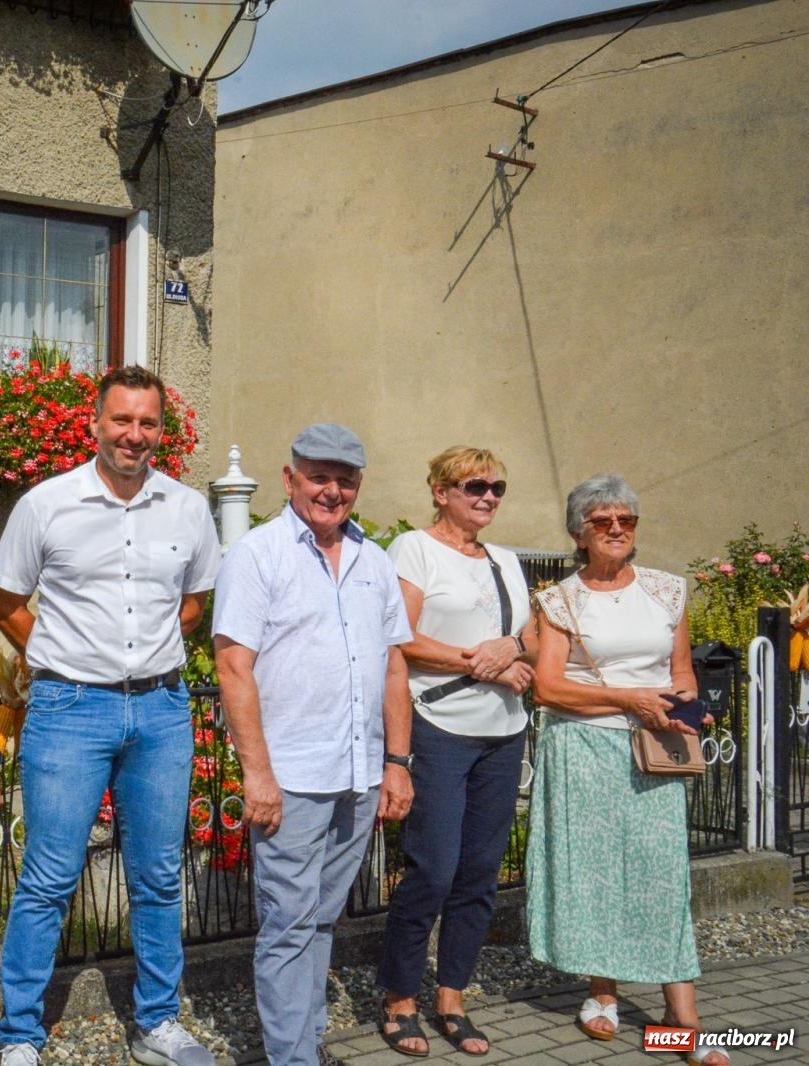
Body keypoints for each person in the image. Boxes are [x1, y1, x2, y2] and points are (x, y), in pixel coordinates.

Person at [0, 365, 220, 1066]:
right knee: (49, 877)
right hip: (68, 708)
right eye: (122, 420)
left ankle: (156, 1023)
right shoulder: (46, 505)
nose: (134, 435)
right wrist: (63, 654)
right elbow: (5, 605)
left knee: (158, 874)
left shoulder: (186, 508)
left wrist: (144, 654)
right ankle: (19, 1035)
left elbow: (193, 604)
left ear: (160, 431)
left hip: (161, 707)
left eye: (147, 423)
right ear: (95, 423)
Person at [212, 423, 414, 1066]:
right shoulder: (257, 554)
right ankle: (290, 1057)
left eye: (345, 478)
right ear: (289, 478)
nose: (332, 490)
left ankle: (304, 1042)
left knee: (321, 920)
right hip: (293, 776)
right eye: (319, 475)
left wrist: (397, 764)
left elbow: (393, 668)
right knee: (289, 925)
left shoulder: (373, 560)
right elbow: (232, 666)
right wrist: (259, 774)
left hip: (356, 775)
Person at [529, 475, 730, 1066]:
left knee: (661, 875)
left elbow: (683, 670)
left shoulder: (668, 591)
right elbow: (546, 687)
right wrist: (628, 699)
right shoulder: (561, 599)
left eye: (627, 520)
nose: (617, 529)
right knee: (593, 871)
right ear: (578, 534)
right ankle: (602, 994)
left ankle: (683, 1020)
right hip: (583, 745)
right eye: (602, 521)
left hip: (653, 745)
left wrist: (685, 706)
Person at [375, 447, 538, 1057]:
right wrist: (483, 661)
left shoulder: (505, 559)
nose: (489, 496)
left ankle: (452, 997)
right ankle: (398, 998)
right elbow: (402, 637)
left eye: (497, 485)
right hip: (439, 725)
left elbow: (532, 631)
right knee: (433, 869)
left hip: (502, 731)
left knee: (479, 875)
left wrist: (509, 649)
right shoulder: (413, 550)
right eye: (475, 485)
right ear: (441, 491)